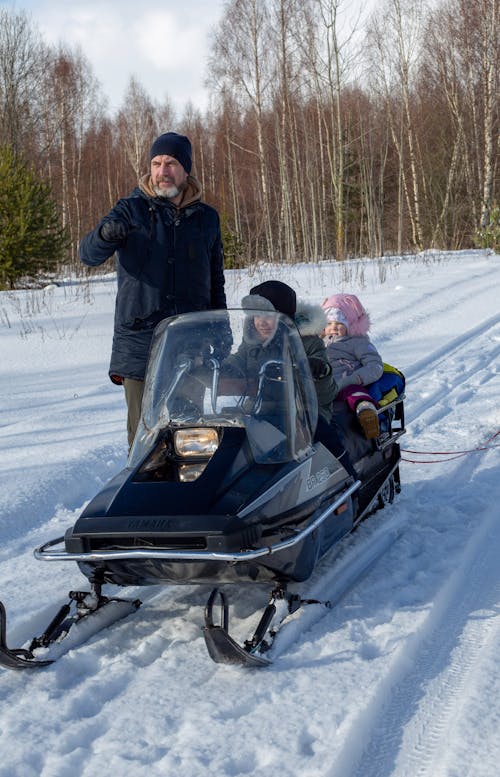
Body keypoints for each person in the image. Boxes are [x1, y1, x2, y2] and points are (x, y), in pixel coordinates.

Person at [79, 131, 227, 447]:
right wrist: (106, 234)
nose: (162, 171)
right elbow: (88, 255)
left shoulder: (206, 219)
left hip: (191, 345)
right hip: (139, 345)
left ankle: (184, 497)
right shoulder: (130, 210)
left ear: (186, 170)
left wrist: (221, 333)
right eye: (156, 163)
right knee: (143, 441)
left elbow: (215, 282)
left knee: (188, 438)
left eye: (171, 163)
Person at [235, 280, 356, 477]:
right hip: (258, 411)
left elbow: (328, 391)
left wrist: (318, 369)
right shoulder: (251, 344)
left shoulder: (307, 342)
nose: (262, 322)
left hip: (303, 412)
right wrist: (215, 368)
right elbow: (236, 362)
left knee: (323, 434)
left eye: (269, 316)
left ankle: (349, 479)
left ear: (284, 318)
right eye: (257, 315)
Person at [322, 293, 384, 439]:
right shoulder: (320, 343)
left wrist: (355, 378)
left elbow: (375, 365)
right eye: (329, 324)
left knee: (354, 393)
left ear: (351, 325)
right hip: (322, 387)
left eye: (339, 324)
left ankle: (366, 413)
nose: (334, 328)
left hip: (345, 383)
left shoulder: (358, 342)